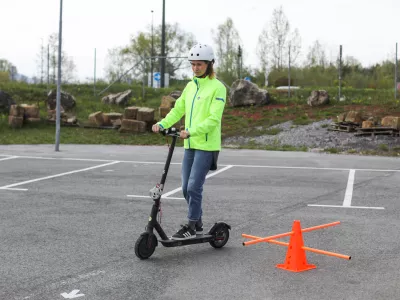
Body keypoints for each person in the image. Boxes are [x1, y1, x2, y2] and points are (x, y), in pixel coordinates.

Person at [152, 43, 227, 240]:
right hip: (190, 144)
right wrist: (162, 123)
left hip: (207, 145)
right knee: (186, 187)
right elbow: (178, 110)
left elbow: (213, 119)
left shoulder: (218, 88)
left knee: (194, 186)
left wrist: (191, 131)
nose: (195, 68)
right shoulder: (190, 86)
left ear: (210, 64)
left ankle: (192, 225)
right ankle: (199, 221)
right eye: (192, 64)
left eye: (199, 64)